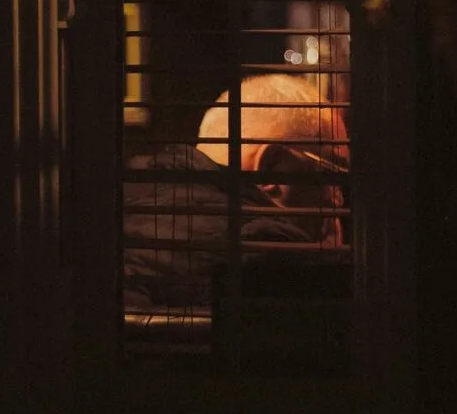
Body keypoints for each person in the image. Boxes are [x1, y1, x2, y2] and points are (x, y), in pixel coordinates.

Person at [123, 73, 348, 310]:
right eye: (331, 173)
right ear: (272, 169)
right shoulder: (266, 250)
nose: (338, 197)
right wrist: (323, 260)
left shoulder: (128, 203)